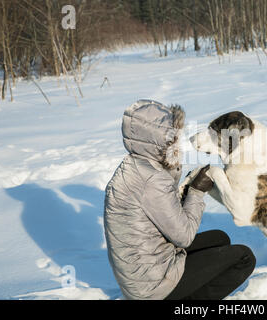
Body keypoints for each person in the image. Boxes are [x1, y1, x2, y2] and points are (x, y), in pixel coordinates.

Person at [104, 99, 256, 300]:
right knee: (244, 257)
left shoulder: (136, 165)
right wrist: (197, 192)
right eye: (171, 137)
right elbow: (184, 236)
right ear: (154, 140)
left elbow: (160, 210)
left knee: (220, 239)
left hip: (146, 268)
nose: (178, 141)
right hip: (152, 287)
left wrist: (184, 186)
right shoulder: (152, 179)